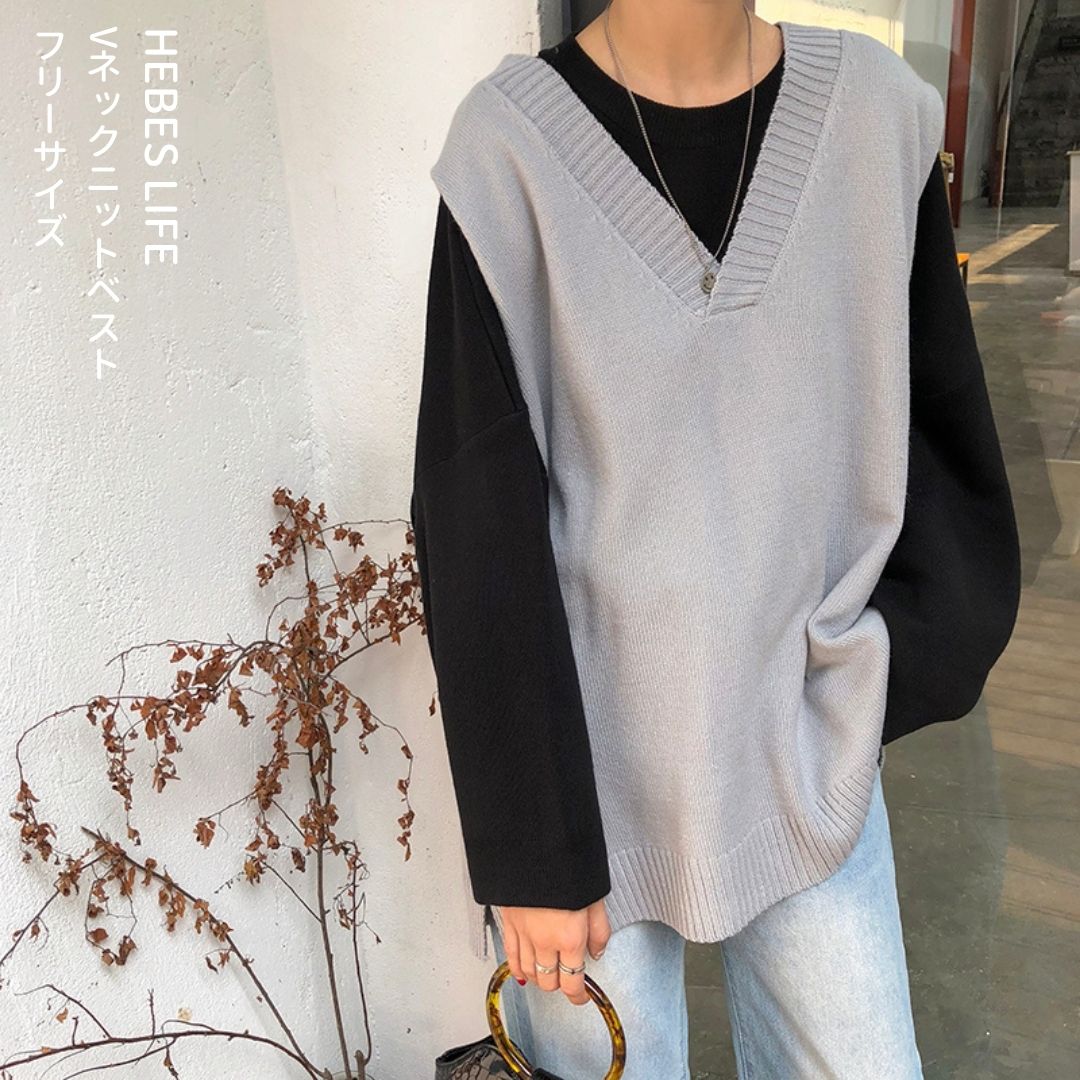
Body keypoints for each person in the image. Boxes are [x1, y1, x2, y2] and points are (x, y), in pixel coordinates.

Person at [411, 1, 1022, 1076]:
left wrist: (879, 668)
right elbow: (477, 516)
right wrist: (533, 850)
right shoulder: (508, 151)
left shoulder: (876, 119)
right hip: (586, 782)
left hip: (807, 746)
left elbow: (942, 427)